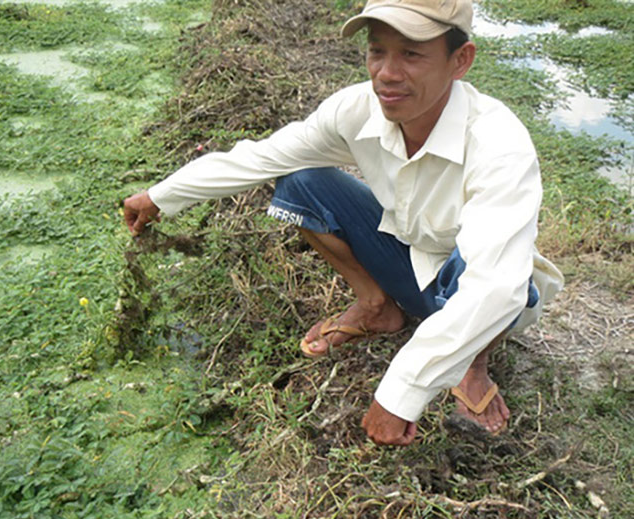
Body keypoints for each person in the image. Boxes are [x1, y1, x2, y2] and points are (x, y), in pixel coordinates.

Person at [123, 0, 564, 446]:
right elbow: (262, 157)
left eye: (411, 54)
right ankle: (377, 307)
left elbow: (496, 287)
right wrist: (161, 196)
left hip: (476, 282)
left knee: (495, 276)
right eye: (377, 51)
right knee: (300, 180)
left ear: (460, 60)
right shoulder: (356, 111)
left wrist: (401, 392)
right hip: (408, 257)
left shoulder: (498, 143)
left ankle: (473, 365)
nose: (387, 74)